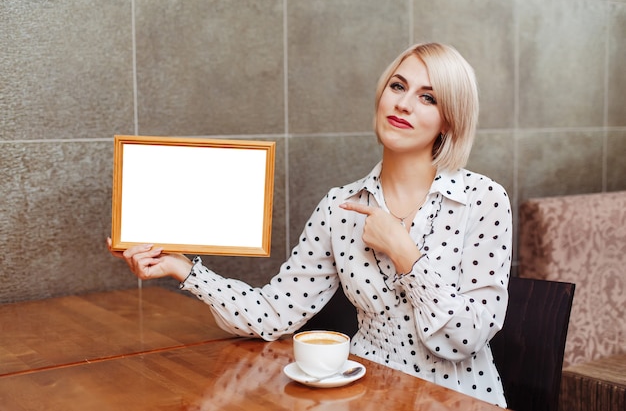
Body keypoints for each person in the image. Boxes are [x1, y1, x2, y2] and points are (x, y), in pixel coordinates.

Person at [108, 42, 512, 407]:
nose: (404, 104)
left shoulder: (483, 200)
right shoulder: (339, 207)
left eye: (428, 97)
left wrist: (404, 252)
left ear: (449, 121)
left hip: (459, 401)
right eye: (397, 86)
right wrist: (183, 268)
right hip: (366, 397)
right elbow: (272, 313)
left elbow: (466, 337)